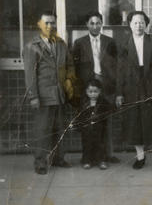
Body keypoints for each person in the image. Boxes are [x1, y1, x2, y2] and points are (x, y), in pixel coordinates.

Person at [116, 11, 152, 175]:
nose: (138, 25)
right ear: (130, 25)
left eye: (141, 22)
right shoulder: (124, 44)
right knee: (134, 122)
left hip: (151, 87)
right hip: (131, 88)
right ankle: (140, 158)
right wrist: (119, 93)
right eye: (135, 22)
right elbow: (120, 71)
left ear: (146, 24)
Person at [23, 11, 75, 175]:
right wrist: (34, 96)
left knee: (60, 129)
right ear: (39, 24)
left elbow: (69, 65)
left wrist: (68, 84)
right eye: (46, 23)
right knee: (42, 130)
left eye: (52, 23)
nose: (50, 26)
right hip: (43, 97)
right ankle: (40, 162)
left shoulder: (61, 44)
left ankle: (59, 159)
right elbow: (30, 74)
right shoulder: (32, 46)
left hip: (60, 95)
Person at [72, 11, 120, 163]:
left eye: (98, 22)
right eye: (92, 23)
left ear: (101, 24)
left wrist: (114, 85)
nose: (95, 26)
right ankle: (88, 157)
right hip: (89, 87)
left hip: (106, 85)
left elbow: (116, 65)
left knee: (106, 120)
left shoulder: (110, 42)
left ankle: (107, 155)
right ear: (87, 24)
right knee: (88, 122)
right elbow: (75, 66)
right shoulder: (79, 43)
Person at [74, 79, 112, 170]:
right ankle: (87, 161)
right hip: (87, 129)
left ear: (99, 91)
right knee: (87, 144)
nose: (93, 94)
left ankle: (101, 161)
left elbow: (108, 111)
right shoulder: (84, 102)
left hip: (100, 128)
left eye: (95, 92)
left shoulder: (103, 102)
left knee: (100, 144)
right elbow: (80, 114)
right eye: (90, 92)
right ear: (86, 92)